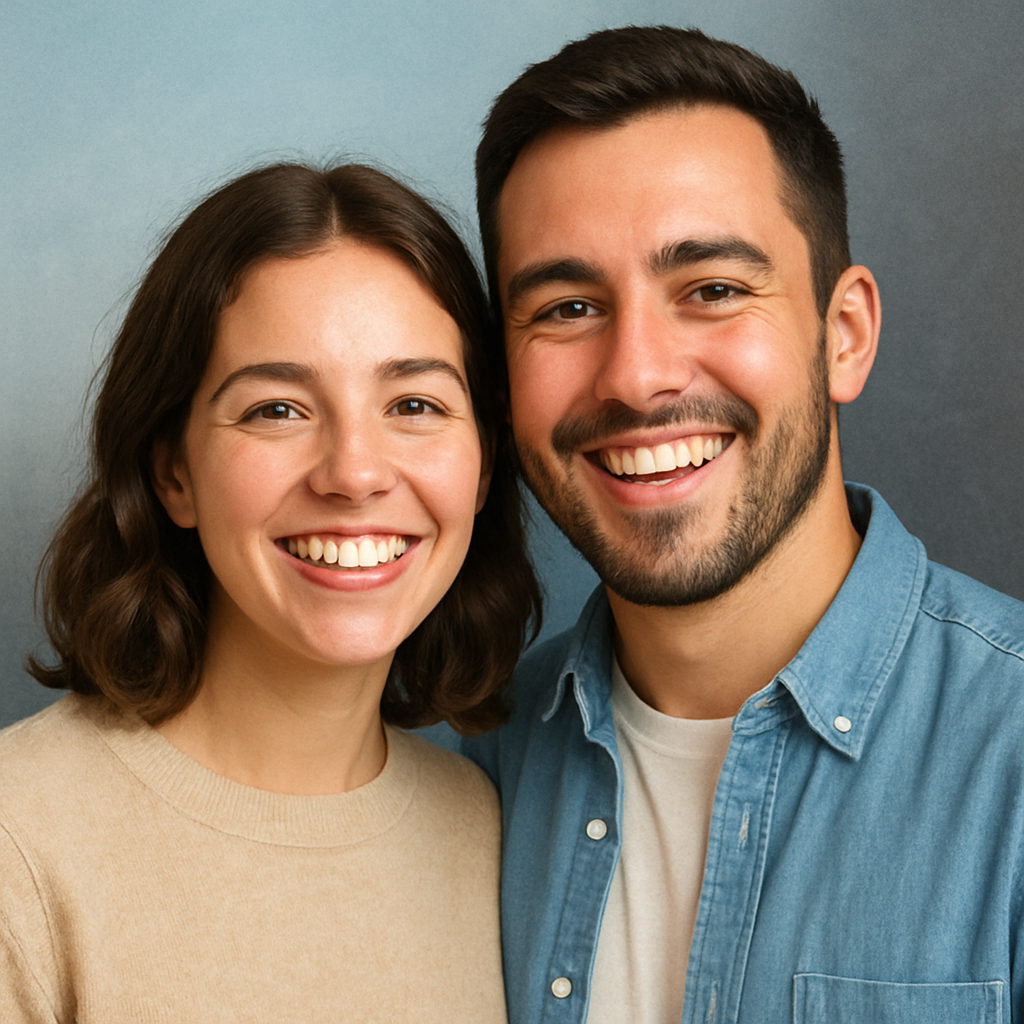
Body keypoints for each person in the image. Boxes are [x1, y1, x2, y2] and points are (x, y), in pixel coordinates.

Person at [460, 25, 1024, 1024]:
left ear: (840, 334)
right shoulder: (464, 767)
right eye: (566, 307)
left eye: (712, 289)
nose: (637, 374)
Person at [0, 162, 539, 1022]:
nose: (355, 473)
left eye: (416, 404)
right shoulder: (18, 844)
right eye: (276, 411)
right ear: (173, 472)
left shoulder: (493, 832)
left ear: (483, 466)